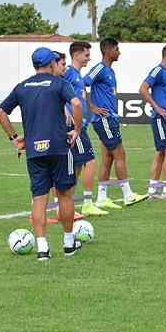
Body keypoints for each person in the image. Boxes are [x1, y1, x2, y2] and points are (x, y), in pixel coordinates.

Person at [0, 47, 84, 261]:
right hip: (59, 148)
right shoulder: (59, 83)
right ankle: (69, 244)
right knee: (64, 195)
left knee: (39, 198)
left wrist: (14, 137)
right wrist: (77, 130)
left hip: (35, 150)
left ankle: (43, 248)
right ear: (52, 63)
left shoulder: (22, 87)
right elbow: (77, 103)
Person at [83, 38, 149, 209]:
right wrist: (92, 107)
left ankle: (102, 197)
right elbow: (81, 83)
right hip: (104, 119)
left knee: (108, 157)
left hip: (110, 118)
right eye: (117, 49)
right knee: (120, 154)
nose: (119, 52)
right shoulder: (100, 68)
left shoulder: (110, 72)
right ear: (108, 50)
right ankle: (127, 195)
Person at [63, 43, 107, 216]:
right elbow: (56, 90)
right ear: (76, 55)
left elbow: (80, 97)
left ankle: (69, 204)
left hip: (80, 125)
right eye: (86, 55)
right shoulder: (67, 72)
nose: (89, 58)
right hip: (74, 127)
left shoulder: (77, 75)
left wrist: (91, 107)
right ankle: (87, 203)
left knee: (77, 165)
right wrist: (65, 110)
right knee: (88, 160)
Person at [140, 45, 166, 200]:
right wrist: (157, 108)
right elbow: (143, 89)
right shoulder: (157, 71)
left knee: (161, 153)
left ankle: (152, 190)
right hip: (161, 118)